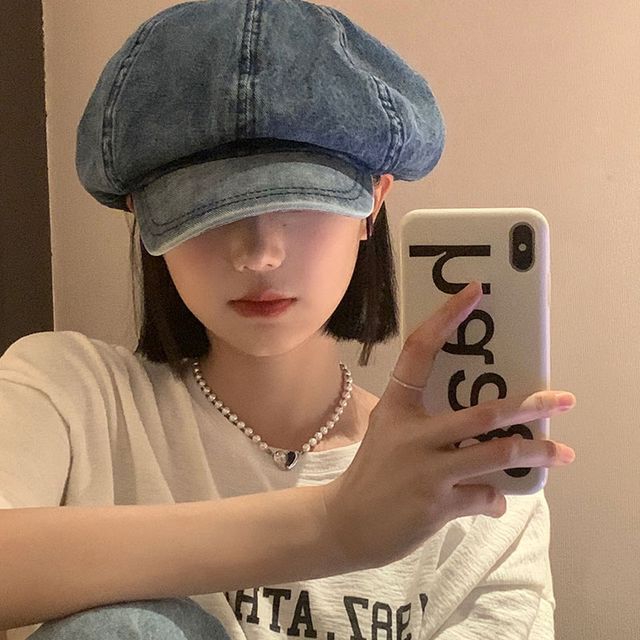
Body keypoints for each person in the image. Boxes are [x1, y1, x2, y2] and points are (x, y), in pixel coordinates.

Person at [0, 1, 577, 638]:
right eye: (208, 208)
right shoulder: (73, 395)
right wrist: (333, 527)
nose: (259, 254)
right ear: (143, 216)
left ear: (373, 203)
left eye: (302, 200)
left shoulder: (461, 482)